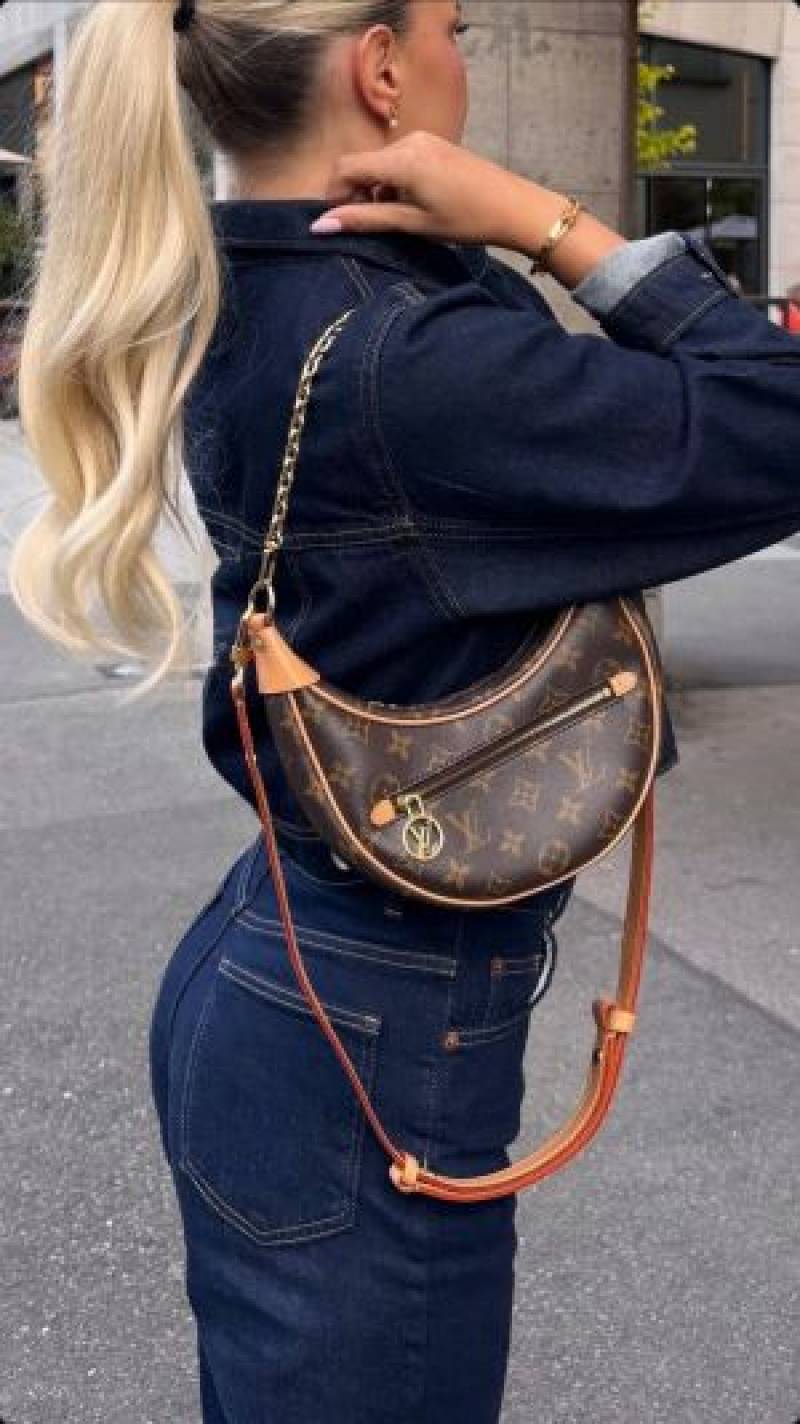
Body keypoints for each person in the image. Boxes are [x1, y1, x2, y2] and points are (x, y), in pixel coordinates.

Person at [7, 2, 800, 1421]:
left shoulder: (263, 292)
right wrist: (543, 219)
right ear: (381, 70)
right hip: (369, 1022)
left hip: (299, 972)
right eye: (449, 30)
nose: (461, 62)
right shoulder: (407, 361)